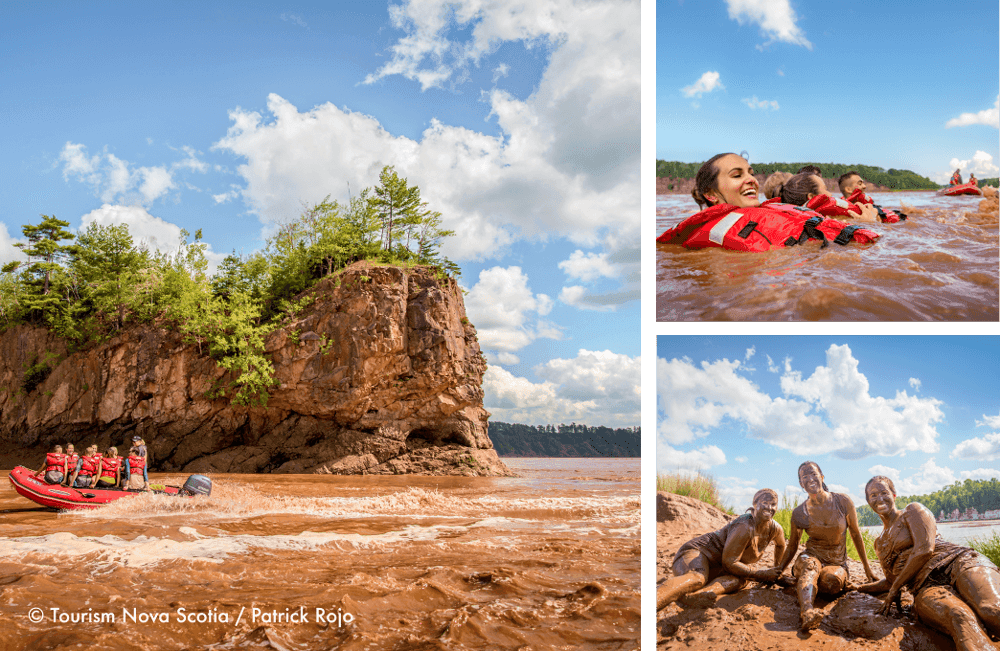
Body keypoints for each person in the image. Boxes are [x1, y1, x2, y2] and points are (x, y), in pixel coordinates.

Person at [857, 476, 1000, 651]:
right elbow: (891, 581)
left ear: (894, 495)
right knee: (959, 616)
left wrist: (895, 588)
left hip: (958, 562)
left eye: (884, 492)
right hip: (924, 586)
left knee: (992, 610)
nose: (879, 498)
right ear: (868, 502)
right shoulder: (878, 543)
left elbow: (924, 549)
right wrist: (857, 588)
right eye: (873, 495)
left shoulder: (913, 510)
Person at [657, 154, 880, 250]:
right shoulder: (721, 238)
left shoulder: (769, 210)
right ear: (711, 194)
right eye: (737, 175)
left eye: (750, 173)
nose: (751, 179)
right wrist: (869, 223)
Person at [775, 461, 877, 632]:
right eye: (804, 477)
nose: (810, 479)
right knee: (811, 566)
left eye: (813, 474)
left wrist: (867, 568)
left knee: (831, 582)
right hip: (811, 555)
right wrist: (778, 571)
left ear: (822, 477)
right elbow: (792, 546)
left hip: (836, 562)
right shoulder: (799, 513)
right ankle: (807, 612)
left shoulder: (842, 501)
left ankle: (805, 584)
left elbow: (856, 534)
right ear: (801, 484)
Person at [657, 488, 786, 611]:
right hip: (695, 554)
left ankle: (698, 595)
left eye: (773, 504)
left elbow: (781, 545)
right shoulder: (744, 526)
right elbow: (729, 562)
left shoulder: (775, 528)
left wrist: (776, 572)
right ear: (755, 503)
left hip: (718, 567)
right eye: (765, 503)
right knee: (697, 578)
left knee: (740, 580)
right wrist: (760, 574)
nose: (769, 508)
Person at [774, 173, 880, 223]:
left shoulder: (800, 222)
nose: (830, 194)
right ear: (812, 197)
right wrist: (870, 222)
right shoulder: (831, 223)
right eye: (825, 189)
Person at [837, 172, 907, 223]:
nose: (865, 186)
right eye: (860, 184)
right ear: (848, 189)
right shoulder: (840, 209)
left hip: (898, 217)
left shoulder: (868, 205)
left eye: (863, 183)